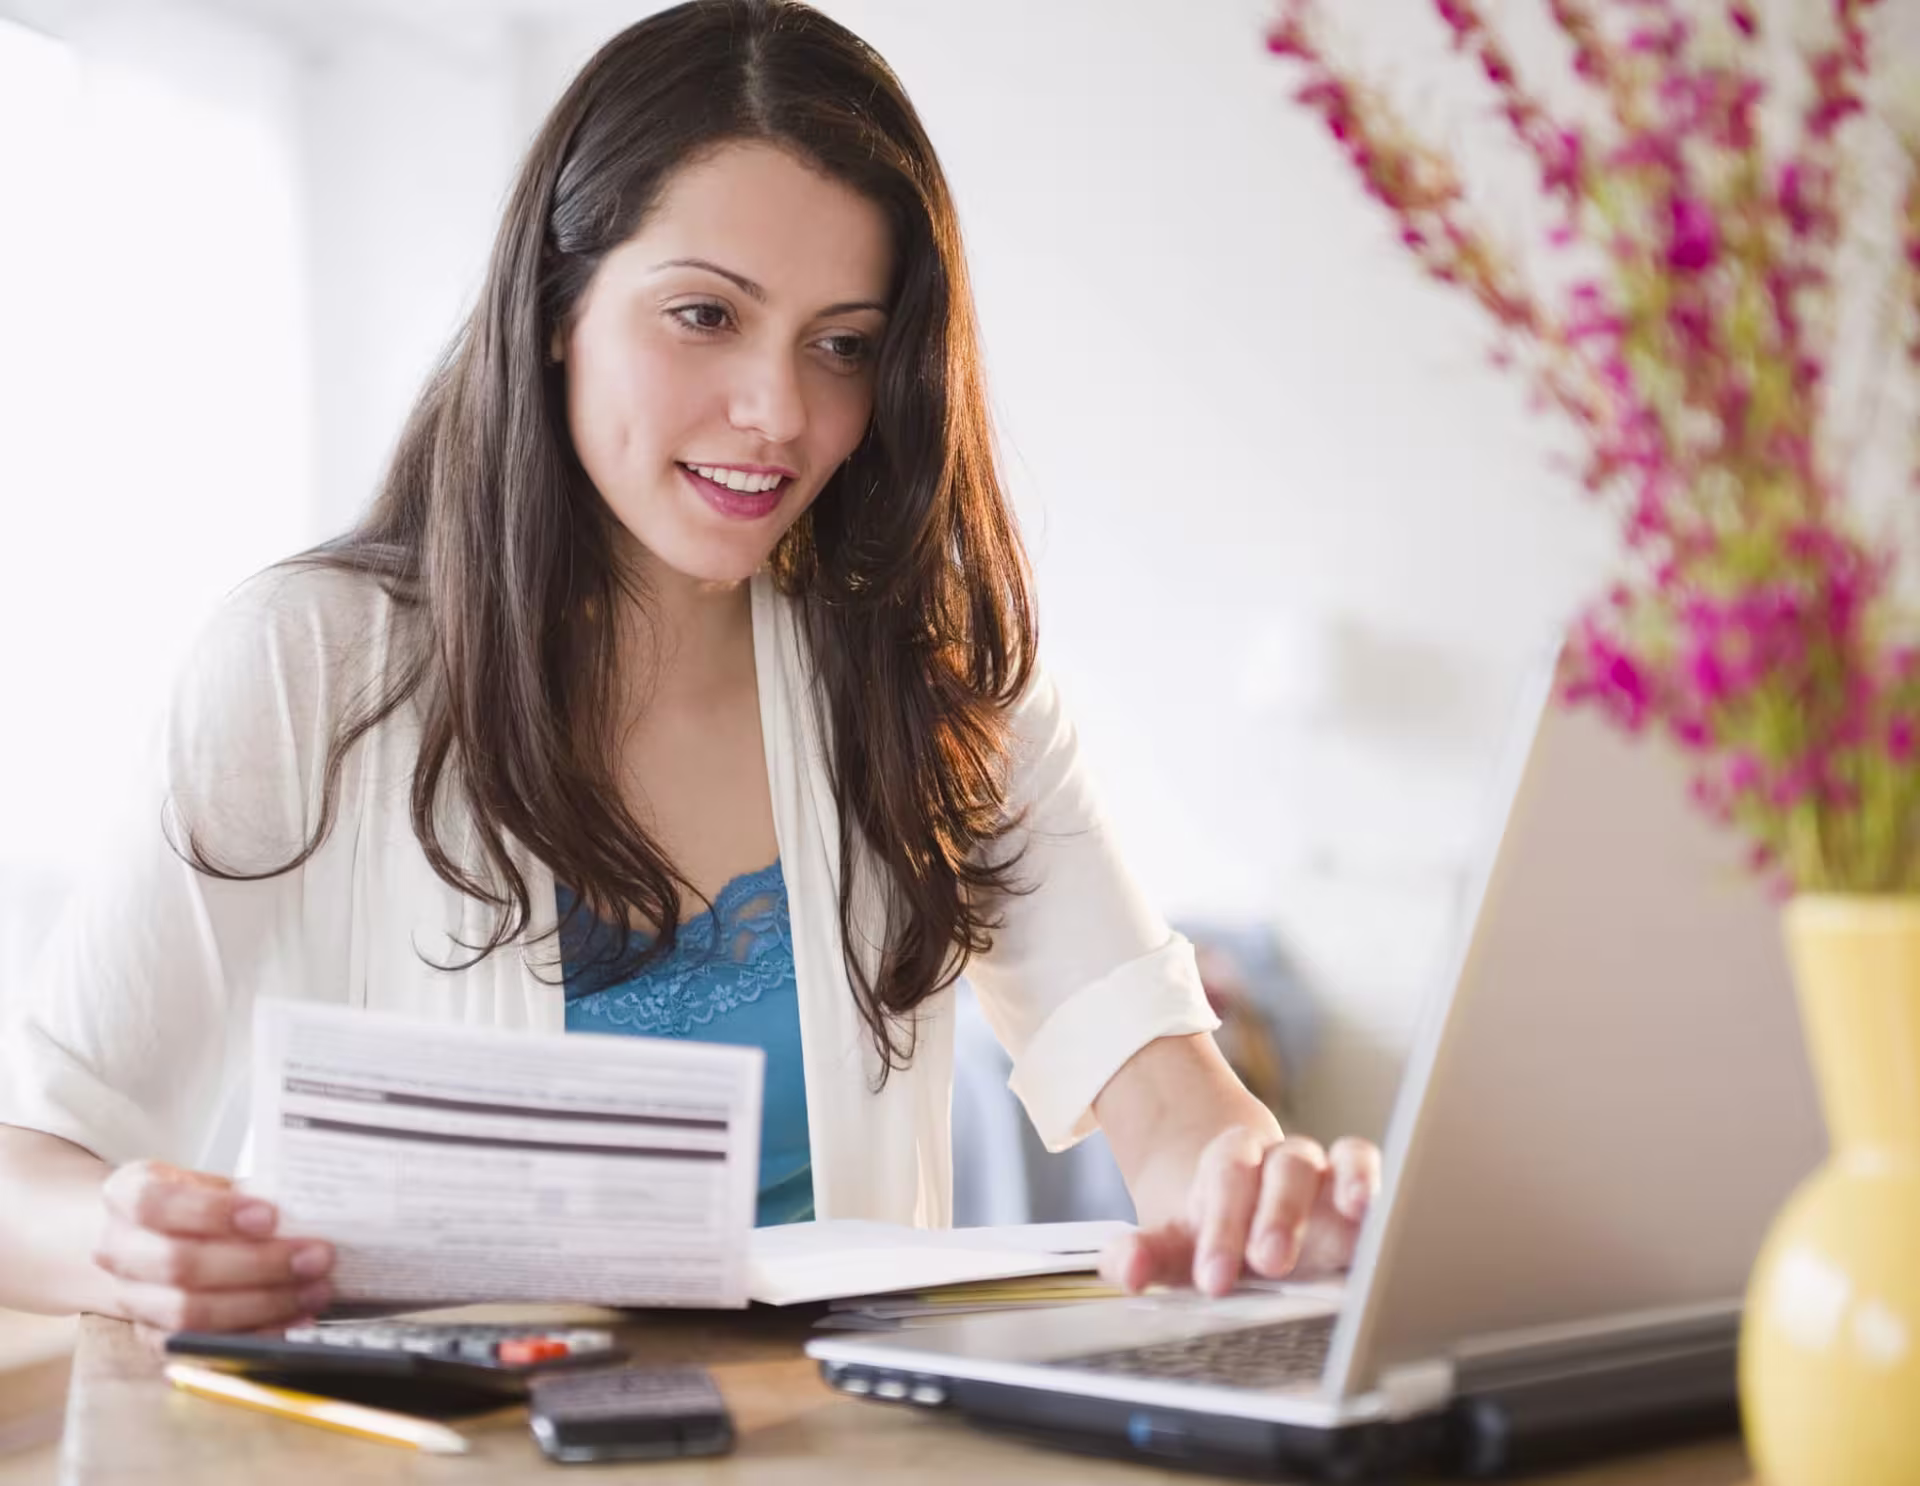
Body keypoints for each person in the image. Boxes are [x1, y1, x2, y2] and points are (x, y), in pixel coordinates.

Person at [0, 0, 1380, 1336]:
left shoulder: (933, 672)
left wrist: (1259, 1201)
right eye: (706, 315)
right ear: (556, 304)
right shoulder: (305, 666)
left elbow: (1175, 1109)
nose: (780, 411)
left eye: (842, 345)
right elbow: (25, 1172)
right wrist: (128, 1241)